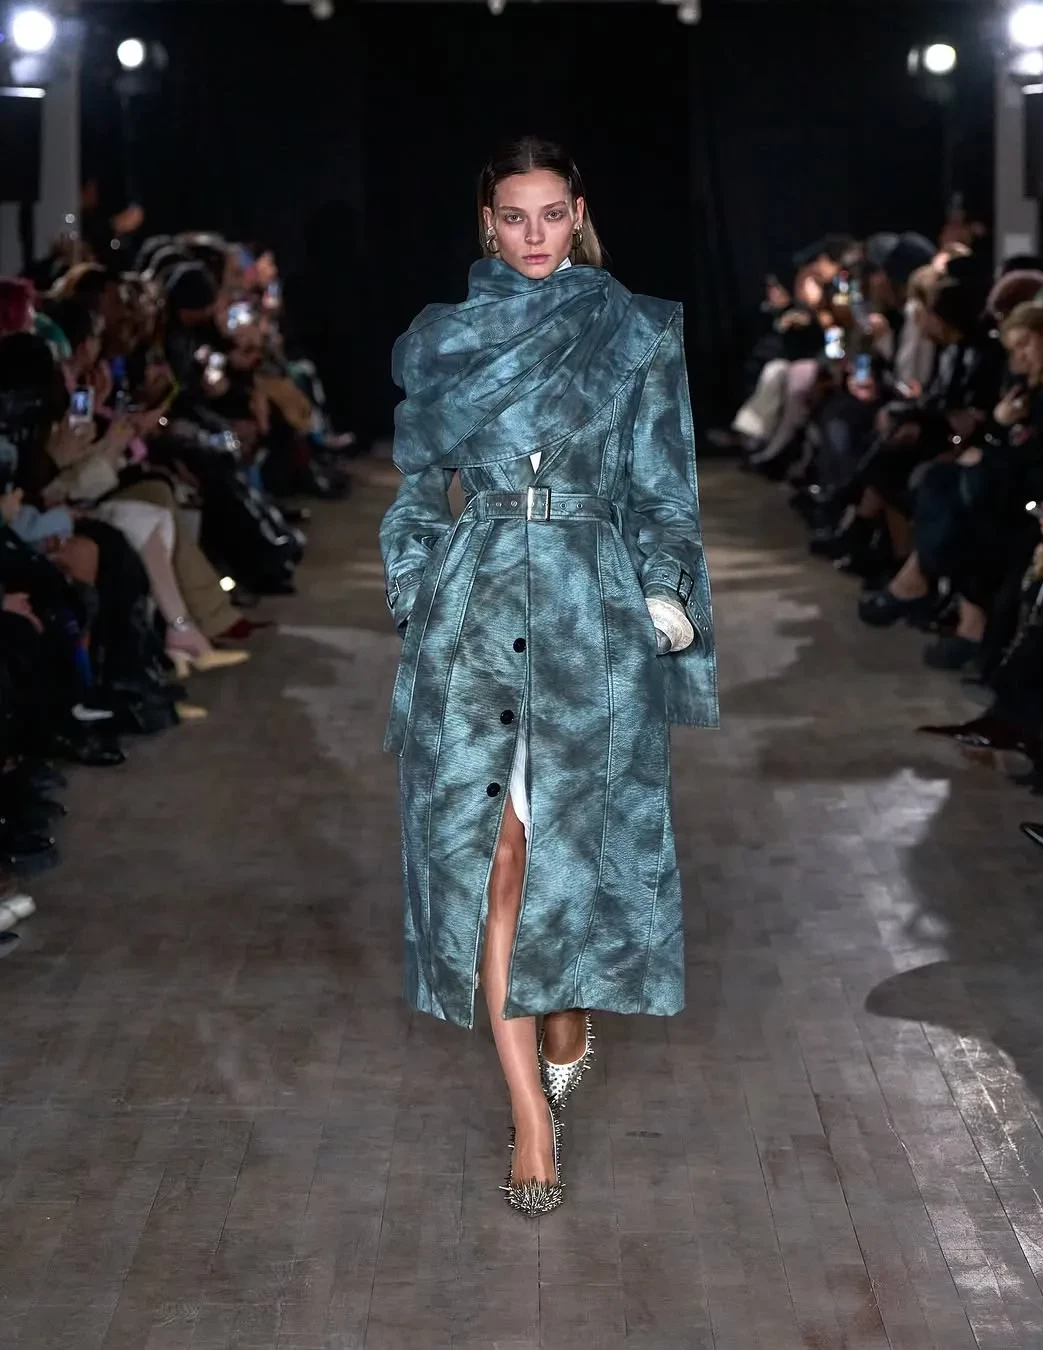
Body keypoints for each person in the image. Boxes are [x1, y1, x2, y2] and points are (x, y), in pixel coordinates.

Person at [380, 136, 719, 1217]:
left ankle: (566, 1014)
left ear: (580, 214)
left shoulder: (637, 331)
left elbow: (666, 491)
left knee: (579, 849)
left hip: (590, 613)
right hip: (474, 615)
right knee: (497, 861)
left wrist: (663, 593)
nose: (534, 234)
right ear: (488, 222)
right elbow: (414, 491)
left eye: (552, 213)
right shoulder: (442, 340)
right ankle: (531, 1121)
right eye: (514, 216)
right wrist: (414, 589)